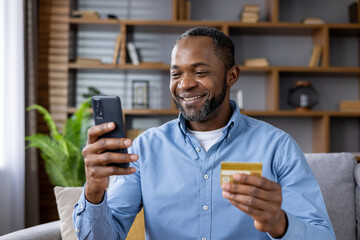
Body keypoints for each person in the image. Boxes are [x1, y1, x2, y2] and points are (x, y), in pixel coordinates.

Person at [73, 27, 335, 240]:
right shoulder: (145, 148)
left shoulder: (277, 147)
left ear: (231, 76)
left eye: (200, 72)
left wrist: (280, 223)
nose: (185, 84)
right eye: (176, 74)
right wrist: (94, 193)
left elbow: (323, 236)